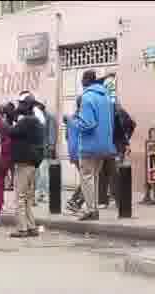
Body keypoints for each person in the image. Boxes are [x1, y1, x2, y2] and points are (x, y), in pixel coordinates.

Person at [71, 70, 116, 221]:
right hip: (104, 145)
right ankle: (94, 208)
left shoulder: (87, 97)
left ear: (85, 81)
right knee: (95, 177)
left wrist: (72, 121)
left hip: (89, 145)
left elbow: (88, 124)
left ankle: (91, 210)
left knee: (87, 178)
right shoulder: (106, 97)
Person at [7, 92, 46, 238]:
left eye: (21, 104)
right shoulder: (34, 120)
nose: (19, 107)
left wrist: (6, 119)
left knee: (20, 197)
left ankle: (22, 228)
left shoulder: (27, 121)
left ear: (27, 106)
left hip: (24, 163)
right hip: (31, 163)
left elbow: (10, 131)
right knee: (27, 197)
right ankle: (31, 226)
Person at [65, 96, 84, 213]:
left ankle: (76, 202)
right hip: (81, 151)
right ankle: (74, 201)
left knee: (86, 179)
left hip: (73, 151)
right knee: (88, 179)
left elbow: (67, 136)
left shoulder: (71, 119)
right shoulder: (82, 118)